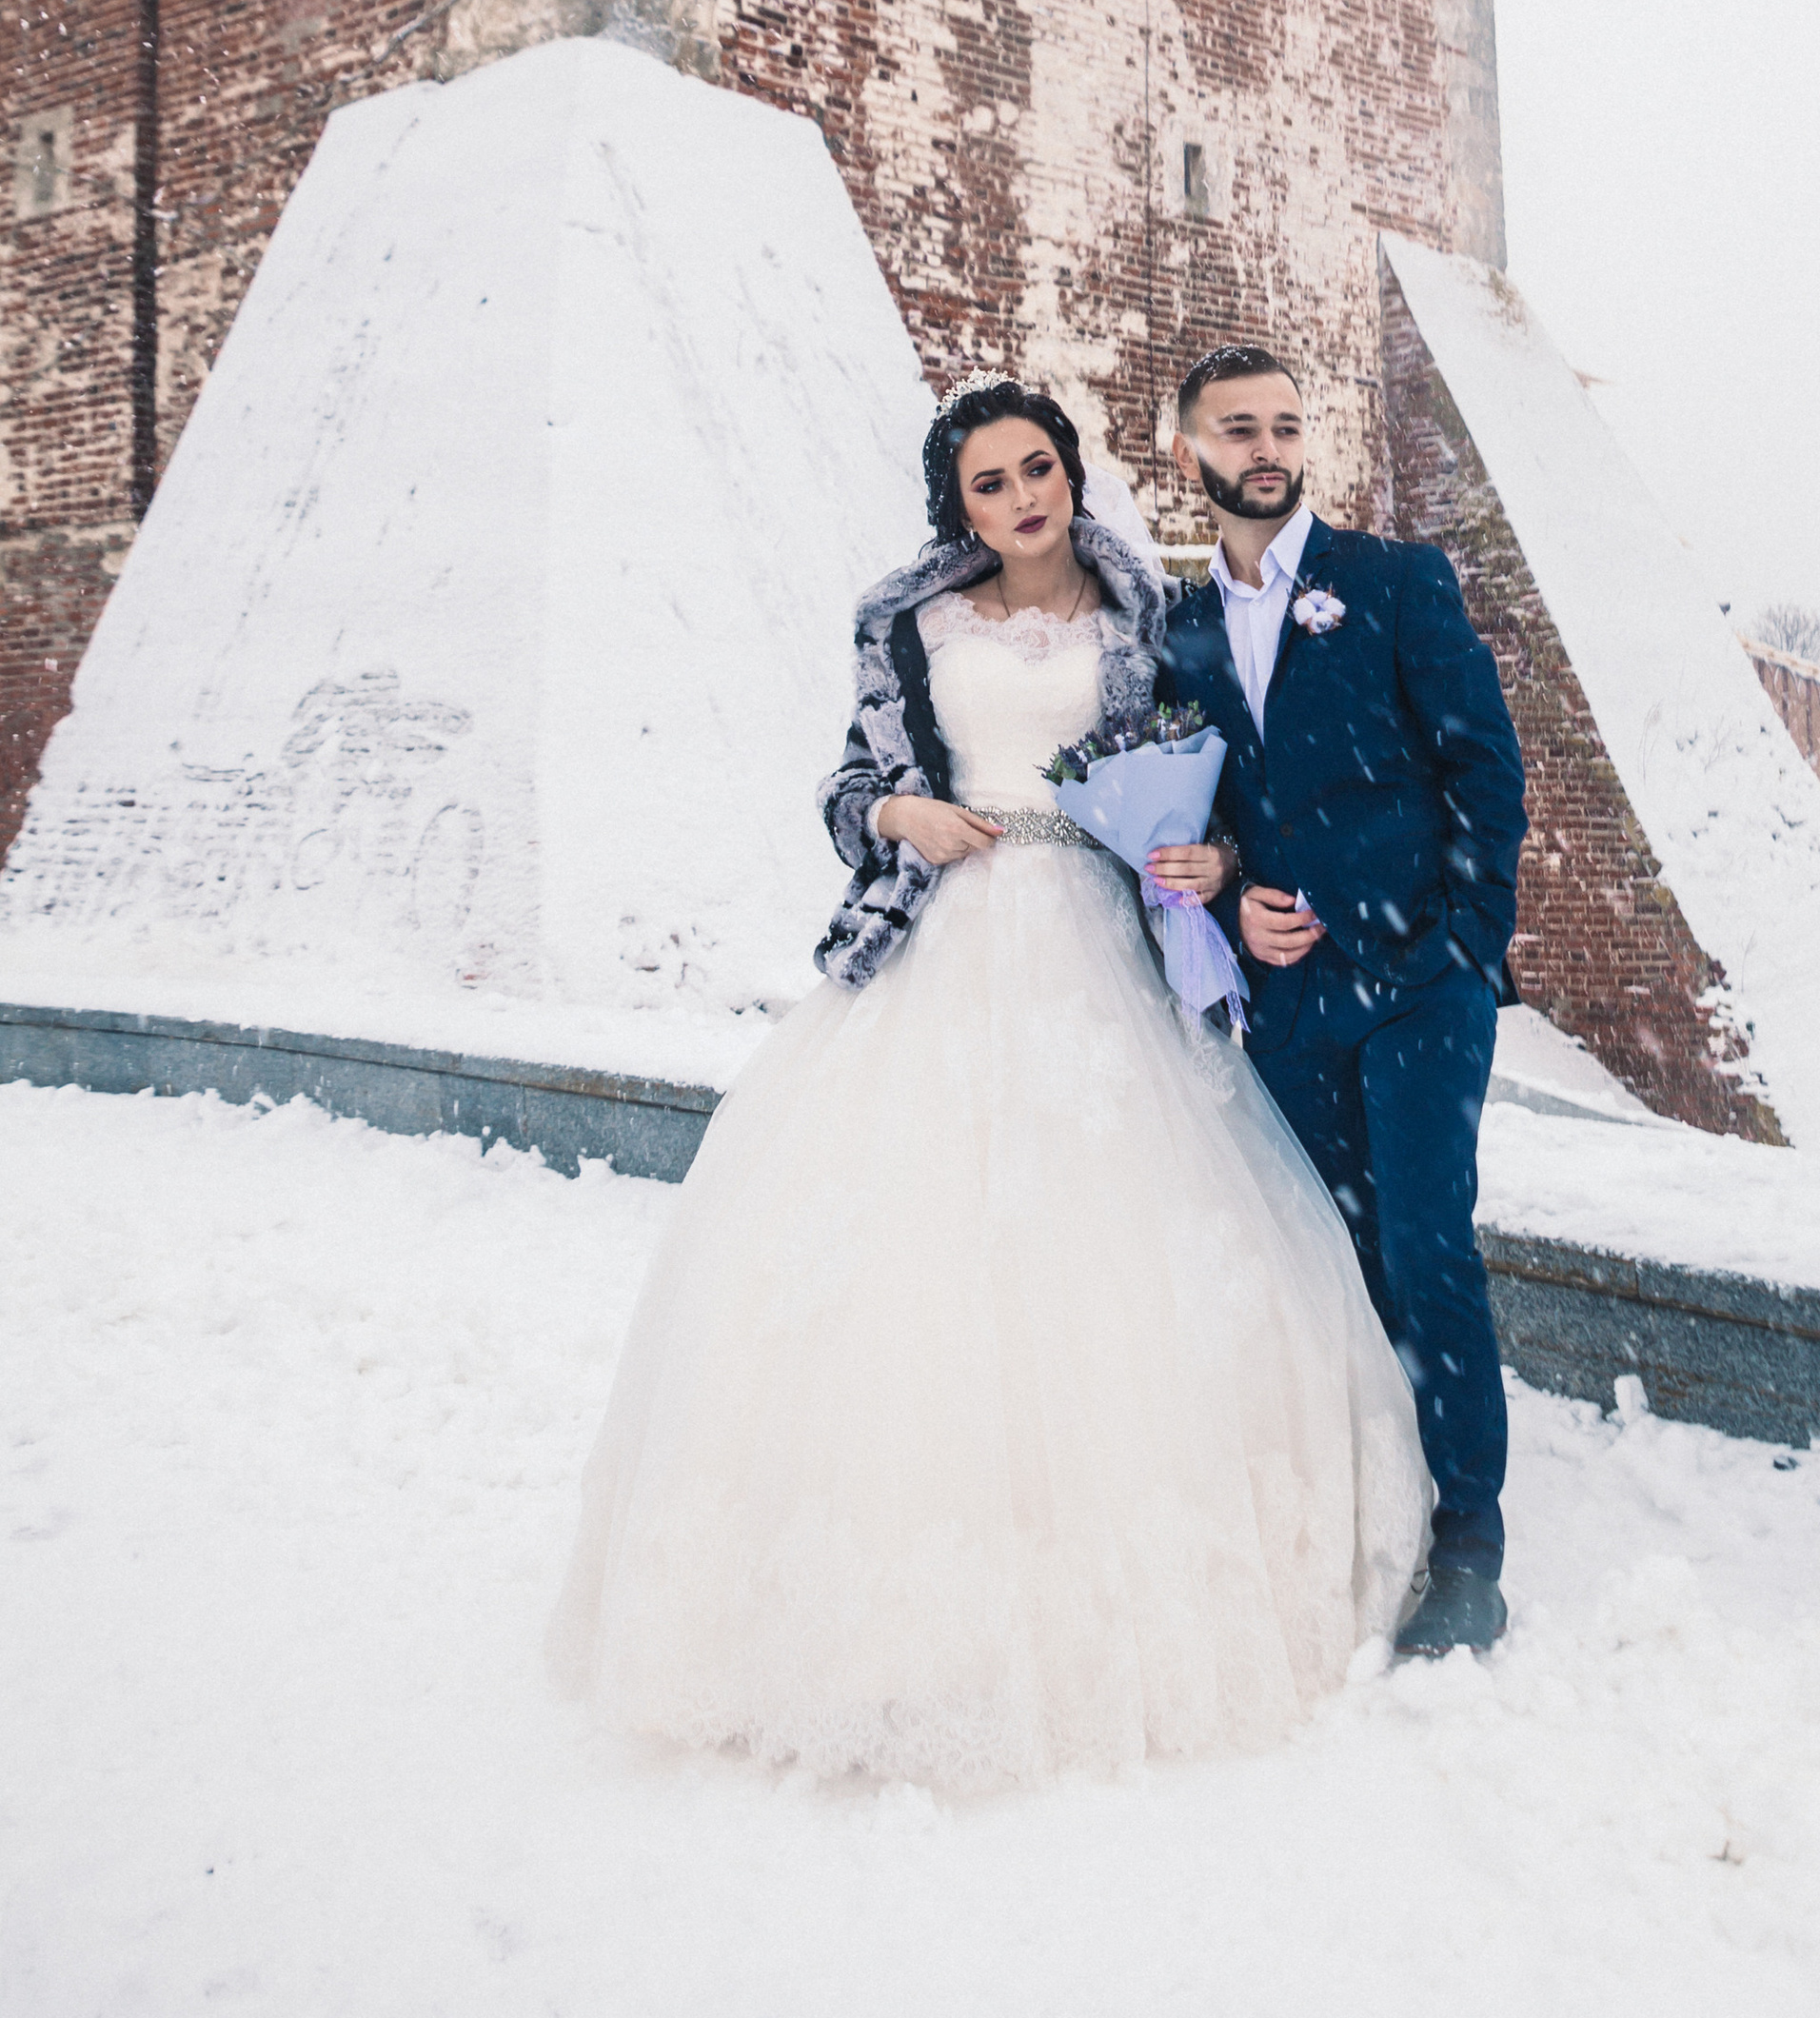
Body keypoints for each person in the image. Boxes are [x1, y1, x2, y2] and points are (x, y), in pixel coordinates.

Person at [549, 380, 1430, 1796]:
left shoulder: (1151, 618)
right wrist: (900, 812)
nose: (1022, 501)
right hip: (945, 937)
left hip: (1098, 943)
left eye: (1038, 471)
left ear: (1073, 475)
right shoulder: (909, 624)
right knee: (910, 1263)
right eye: (989, 486)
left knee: (1109, 1256)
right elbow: (849, 787)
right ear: (955, 511)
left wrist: (1204, 859)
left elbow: (1211, 789)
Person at [1158, 344, 1528, 1659]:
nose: (1266, 447)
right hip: (1293, 1001)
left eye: (1284, 425)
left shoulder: (1389, 583)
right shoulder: (1178, 628)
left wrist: (1469, 947)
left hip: (1422, 982)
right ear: (1188, 451)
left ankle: (1470, 1544)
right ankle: (1375, 1506)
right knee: (1335, 1262)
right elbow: (1195, 818)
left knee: (1430, 1249)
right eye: (1237, 428)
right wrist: (1232, 894)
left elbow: (1486, 765)